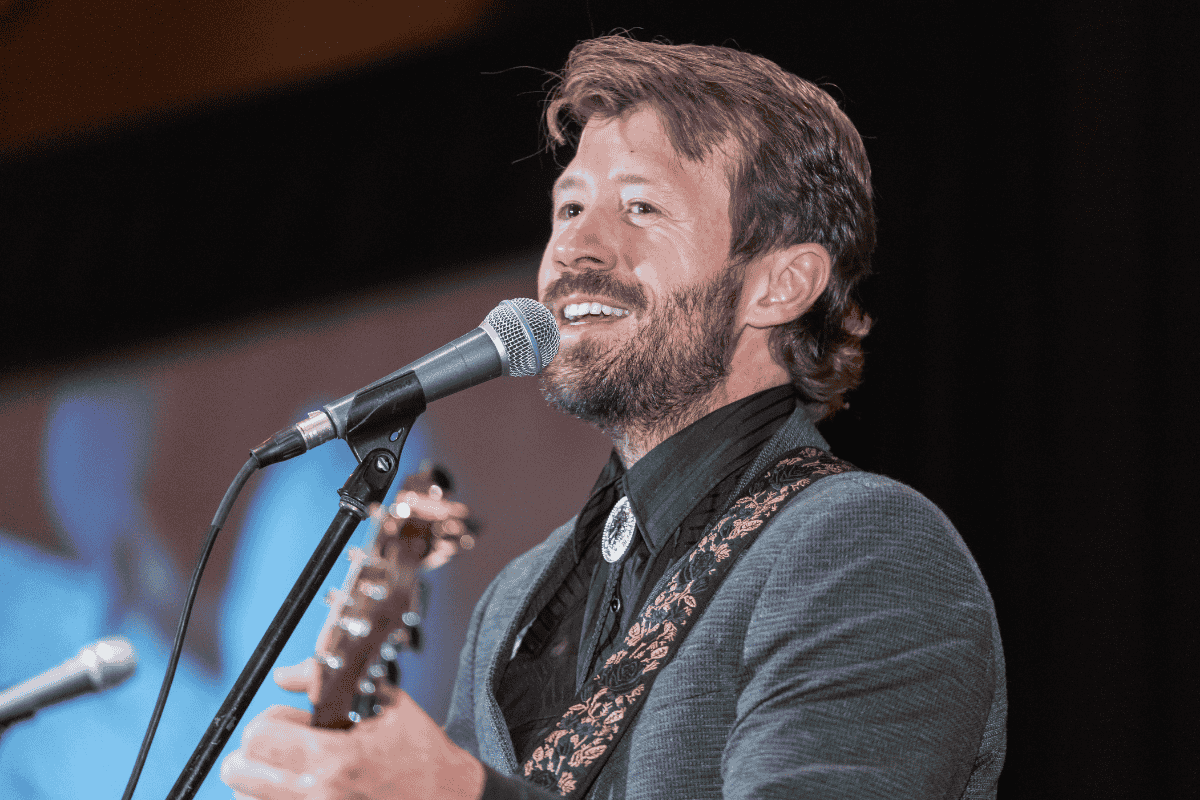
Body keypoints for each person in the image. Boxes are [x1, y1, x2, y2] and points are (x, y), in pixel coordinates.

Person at [220, 35, 1006, 800]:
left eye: (640, 206)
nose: (575, 248)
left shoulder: (862, 549)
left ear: (781, 285)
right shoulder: (515, 600)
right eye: (569, 207)